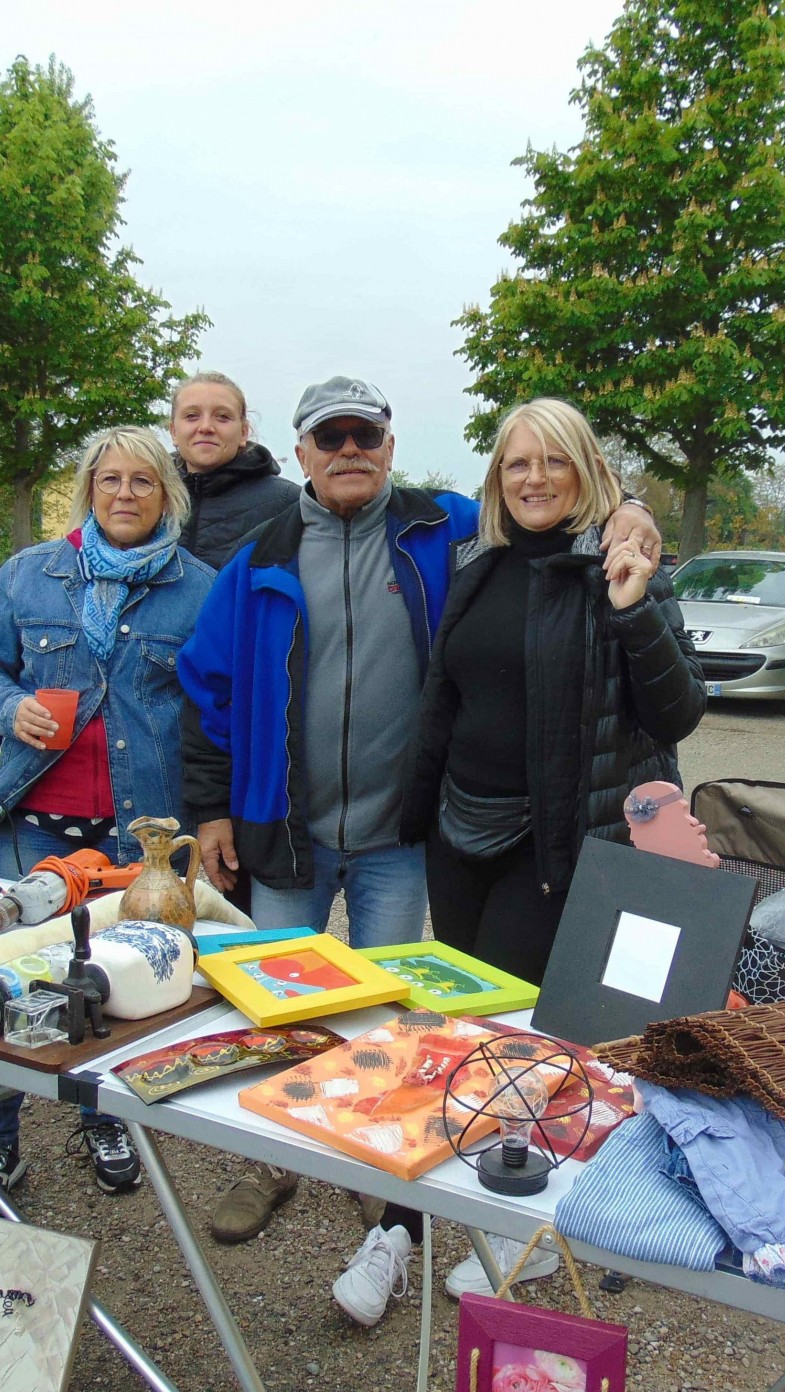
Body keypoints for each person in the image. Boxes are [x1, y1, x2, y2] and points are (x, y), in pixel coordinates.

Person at [179, 377, 662, 1325]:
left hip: (404, 836)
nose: (349, 448)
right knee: (275, 1016)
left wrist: (634, 507)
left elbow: (553, 494)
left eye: (366, 433)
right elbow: (209, 689)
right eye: (331, 436)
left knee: (395, 1022)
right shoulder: (260, 555)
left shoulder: (442, 529)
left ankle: (381, 1177)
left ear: (391, 444)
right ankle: (266, 1164)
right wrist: (210, 807)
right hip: (285, 831)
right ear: (304, 449)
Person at [397, 395, 705, 1298]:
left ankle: (507, 1228)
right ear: (497, 478)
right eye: (516, 463)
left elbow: (679, 710)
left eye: (554, 462)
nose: (533, 479)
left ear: (587, 472)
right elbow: (445, 701)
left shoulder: (620, 564)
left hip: (554, 842)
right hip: (461, 830)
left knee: (510, 1043)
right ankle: (400, 1223)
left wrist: (634, 606)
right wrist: (419, 810)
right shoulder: (477, 563)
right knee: (447, 1030)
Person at [0, 425, 215, 1210]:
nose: (125, 495)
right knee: (5, 979)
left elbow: (216, 706)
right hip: (36, 821)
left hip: (139, 834)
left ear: (167, 494)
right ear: (88, 489)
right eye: (111, 480)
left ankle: (102, 1117)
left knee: (116, 983)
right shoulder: (29, 574)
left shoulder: (199, 588)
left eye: (143, 481)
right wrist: (10, 706)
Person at [169, 370, 303, 570]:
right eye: (191, 416)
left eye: (222, 417)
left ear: (243, 432)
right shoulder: (149, 497)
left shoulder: (288, 502)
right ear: (173, 432)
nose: (206, 427)